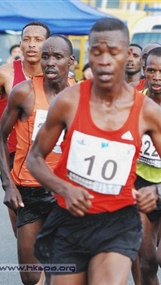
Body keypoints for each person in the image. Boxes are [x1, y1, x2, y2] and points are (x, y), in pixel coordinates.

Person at [27, 17, 161, 285]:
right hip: (71, 220)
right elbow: (35, 157)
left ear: (128, 56)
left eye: (113, 52)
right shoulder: (69, 101)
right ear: (88, 54)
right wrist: (63, 188)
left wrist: (155, 190)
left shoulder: (147, 111)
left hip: (118, 222)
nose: (104, 60)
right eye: (96, 52)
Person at [0, 34, 76, 285]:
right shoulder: (24, 92)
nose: (50, 62)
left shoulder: (81, 96)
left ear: (70, 61)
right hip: (28, 191)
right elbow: (0, 136)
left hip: (64, 191)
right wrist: (8, 184)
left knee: (58, 270)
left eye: (57, 57)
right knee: (30, 276)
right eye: (46, 56)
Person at [0, 21, 51, 237]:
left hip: (47, 155)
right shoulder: (5, 73)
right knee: (21, 226)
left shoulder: (57, 75)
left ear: (48, 44)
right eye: (27, 40)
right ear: (20, 44)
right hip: (12, 155)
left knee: (49, 230)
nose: (32, 45)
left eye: (38, 40)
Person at [133, 47, 161, 285]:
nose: (157, 77)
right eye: (151, 70)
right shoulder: (134, 101)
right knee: (147, 262)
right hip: (141, 184)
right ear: (144, 71)